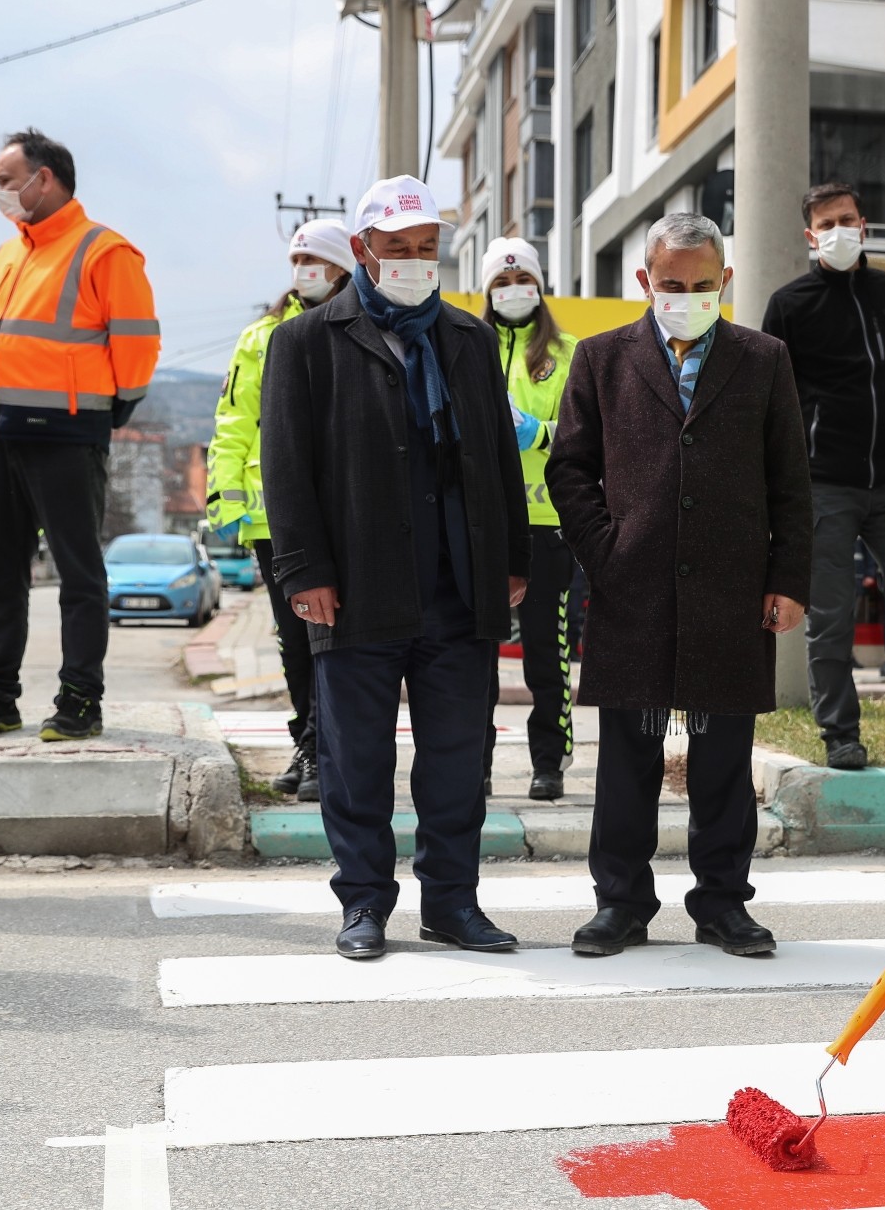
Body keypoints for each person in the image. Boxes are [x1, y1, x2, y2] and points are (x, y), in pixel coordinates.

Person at [261, 175, 530, 961]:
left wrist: (512, 559)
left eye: (426, 249)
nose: (414, 262)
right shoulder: (307, 342)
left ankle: (452, 901)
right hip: (354, 585)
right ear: (362, 251)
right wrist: (303, 569)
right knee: (356, 757)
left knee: (456, 758)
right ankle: (364, 903)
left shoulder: (469, 339)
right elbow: (286, 466)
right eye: (397, 249)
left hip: (456, 584)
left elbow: (496, 460)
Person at [547, 212, 813, 959]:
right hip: (632, 590)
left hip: (732, 589)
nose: (687, 296)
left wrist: (788, 577)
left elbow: (791, 479)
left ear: (724, 282)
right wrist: (607, 549)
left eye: (702, 286)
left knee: (723, 761)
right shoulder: (601, 359)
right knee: (628, 758)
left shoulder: (763, 360)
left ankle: (723, 903)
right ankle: (621, 903)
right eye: (672, 284)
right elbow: (568, 468)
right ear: (645, 281)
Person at [0, 129, 160, 743]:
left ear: (45, 179)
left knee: (79, 575)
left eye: (7, 180)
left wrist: (103, 412)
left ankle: (79, 699)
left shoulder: (104, 252)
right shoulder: (3, 257)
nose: (1, 193)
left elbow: (138, 347)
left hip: (67, 436)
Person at [761, 183, 885, 771]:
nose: (839, 230)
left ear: (864, 225)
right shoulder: (789, 305)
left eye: (848, 219)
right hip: (826, 484)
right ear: (810, 236)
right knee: (831, 618)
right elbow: (775, 405)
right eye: (826, 223)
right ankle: (840, 732)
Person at [207, 219, 353, 800]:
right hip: (277, 518)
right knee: (296, 642)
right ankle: (308, 742)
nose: (303, 273)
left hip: (345, 512)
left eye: (314, 260)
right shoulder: (259, 337)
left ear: (343, 267)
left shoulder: (355, 327)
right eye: (296, 261)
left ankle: (323, 748)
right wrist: (226, 498)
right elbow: (234, 422)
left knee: (335, 639)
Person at [478, 236, 579, 802]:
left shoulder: (568, 354)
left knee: (546, 653)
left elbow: (592, 438)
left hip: (547, 525)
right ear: (488, 291)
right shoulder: (465, 347)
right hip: (481, 526)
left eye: (522, 280)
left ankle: (549, 762)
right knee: (476, 659)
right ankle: (479, 762)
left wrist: (537, 433)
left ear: (539, 286)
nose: (513, 290)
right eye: (501, 282)